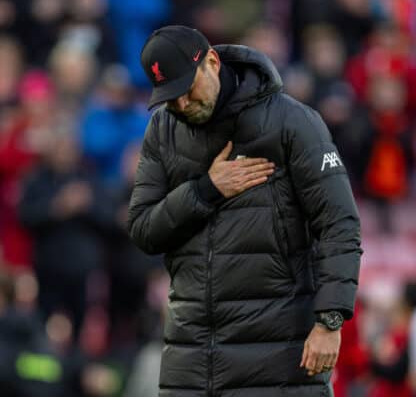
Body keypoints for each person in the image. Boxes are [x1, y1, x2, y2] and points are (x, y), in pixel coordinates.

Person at [127, 25, 362, 397]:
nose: (182, 105)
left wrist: (330, 321)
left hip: (279, 357)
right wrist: (206, 190)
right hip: (191, 359)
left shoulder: (292, 121)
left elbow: (339, 224)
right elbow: (142, 230)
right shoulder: (162, 130)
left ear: (212, 62)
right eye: (170, 98)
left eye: (187, 90)